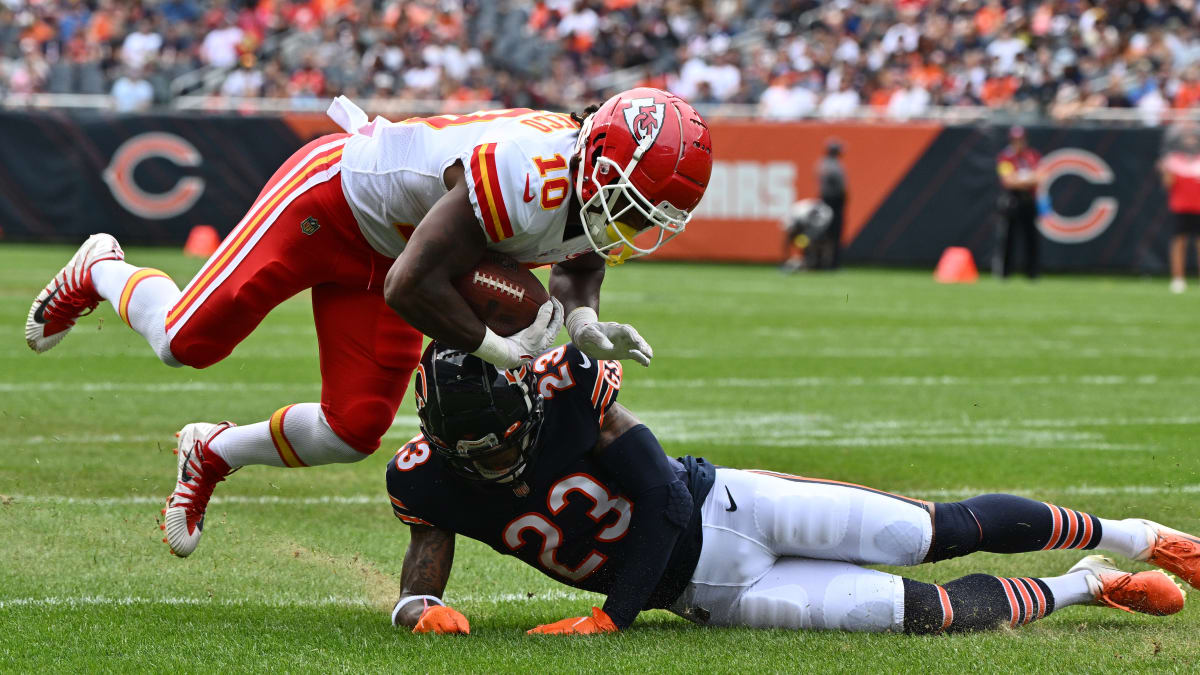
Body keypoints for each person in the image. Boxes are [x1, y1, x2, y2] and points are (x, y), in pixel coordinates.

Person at [24, 88, 713, 558]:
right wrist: (501, 349)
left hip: (396, 244)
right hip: (332, 201)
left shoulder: (592, 181)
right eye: (630, 201)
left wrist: (585, 318)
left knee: (353, 427)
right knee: (182, 341)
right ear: (596, 158)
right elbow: (410, 283)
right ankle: (100, 268)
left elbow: (579, 255)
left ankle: (211, 450)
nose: (632, 223)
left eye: (647, 213)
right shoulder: (526, 172)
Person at [386, 342, 1198, 635]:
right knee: (919, 614)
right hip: (711, 596)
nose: (497, 464)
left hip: (729, 506)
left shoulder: (567, 390)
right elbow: (428, 541)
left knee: (930, 533)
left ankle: (1131, 533)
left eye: (508, 443)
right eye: (475, 455)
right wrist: (416, 606)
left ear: (529, 399)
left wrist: (611, 614)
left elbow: (664, 500)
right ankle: (1085, 587)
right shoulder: (425, 477)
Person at [994, 126, 1042, 279]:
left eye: (1020, 140)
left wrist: (1020, 179)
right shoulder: (1005, 157)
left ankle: (1032, 273)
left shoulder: (1033, 155)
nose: (1018, 143)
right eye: (1015, 140)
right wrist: (1027, 180)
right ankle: (1004, 273)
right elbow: (1008, 181)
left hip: (1029, 200)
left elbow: (1040, 177)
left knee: (1031, 238)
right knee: (1008, 238)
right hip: (1013, 201)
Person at [1160, 122, 1200, 294]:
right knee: (1179, 242)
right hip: (1181, 207)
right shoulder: (1173, 160)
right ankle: (1178, 278)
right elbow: (1168, 184)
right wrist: (1165, 171)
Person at [817, 138, 847, 270]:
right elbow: (840, 187)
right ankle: (832, 264)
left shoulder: (822, 164)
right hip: (834, 201)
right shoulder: (834, 166)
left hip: (825, 200)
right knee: (834, 233)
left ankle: (820, 261)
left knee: (824, 233)